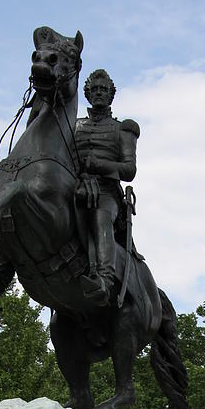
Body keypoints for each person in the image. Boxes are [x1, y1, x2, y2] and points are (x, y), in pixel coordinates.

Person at [75, 69, 140, 303]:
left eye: (104, 90)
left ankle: (104, 278)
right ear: (87, 94)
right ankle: (0, 274)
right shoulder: (73, 126)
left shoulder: (123, 129)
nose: (99, 93)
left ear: (111, 94)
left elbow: (129, 171)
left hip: (106, 192)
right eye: (95, 89)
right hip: (75, 187)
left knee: (101, 217)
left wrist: (99, 165)